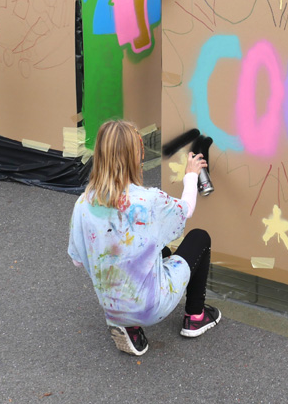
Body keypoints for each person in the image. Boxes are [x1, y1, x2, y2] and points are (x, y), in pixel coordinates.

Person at [68, 120, 221, 356]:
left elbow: (78, 260)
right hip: (151, 307)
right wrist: (191, 176)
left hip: (111, 307)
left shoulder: (83, 203)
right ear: (136, 156)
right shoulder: (148, 201)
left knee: (160, 253)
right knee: (199, 238)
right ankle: (195, 317)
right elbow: (186, 210)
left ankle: (130, 327)